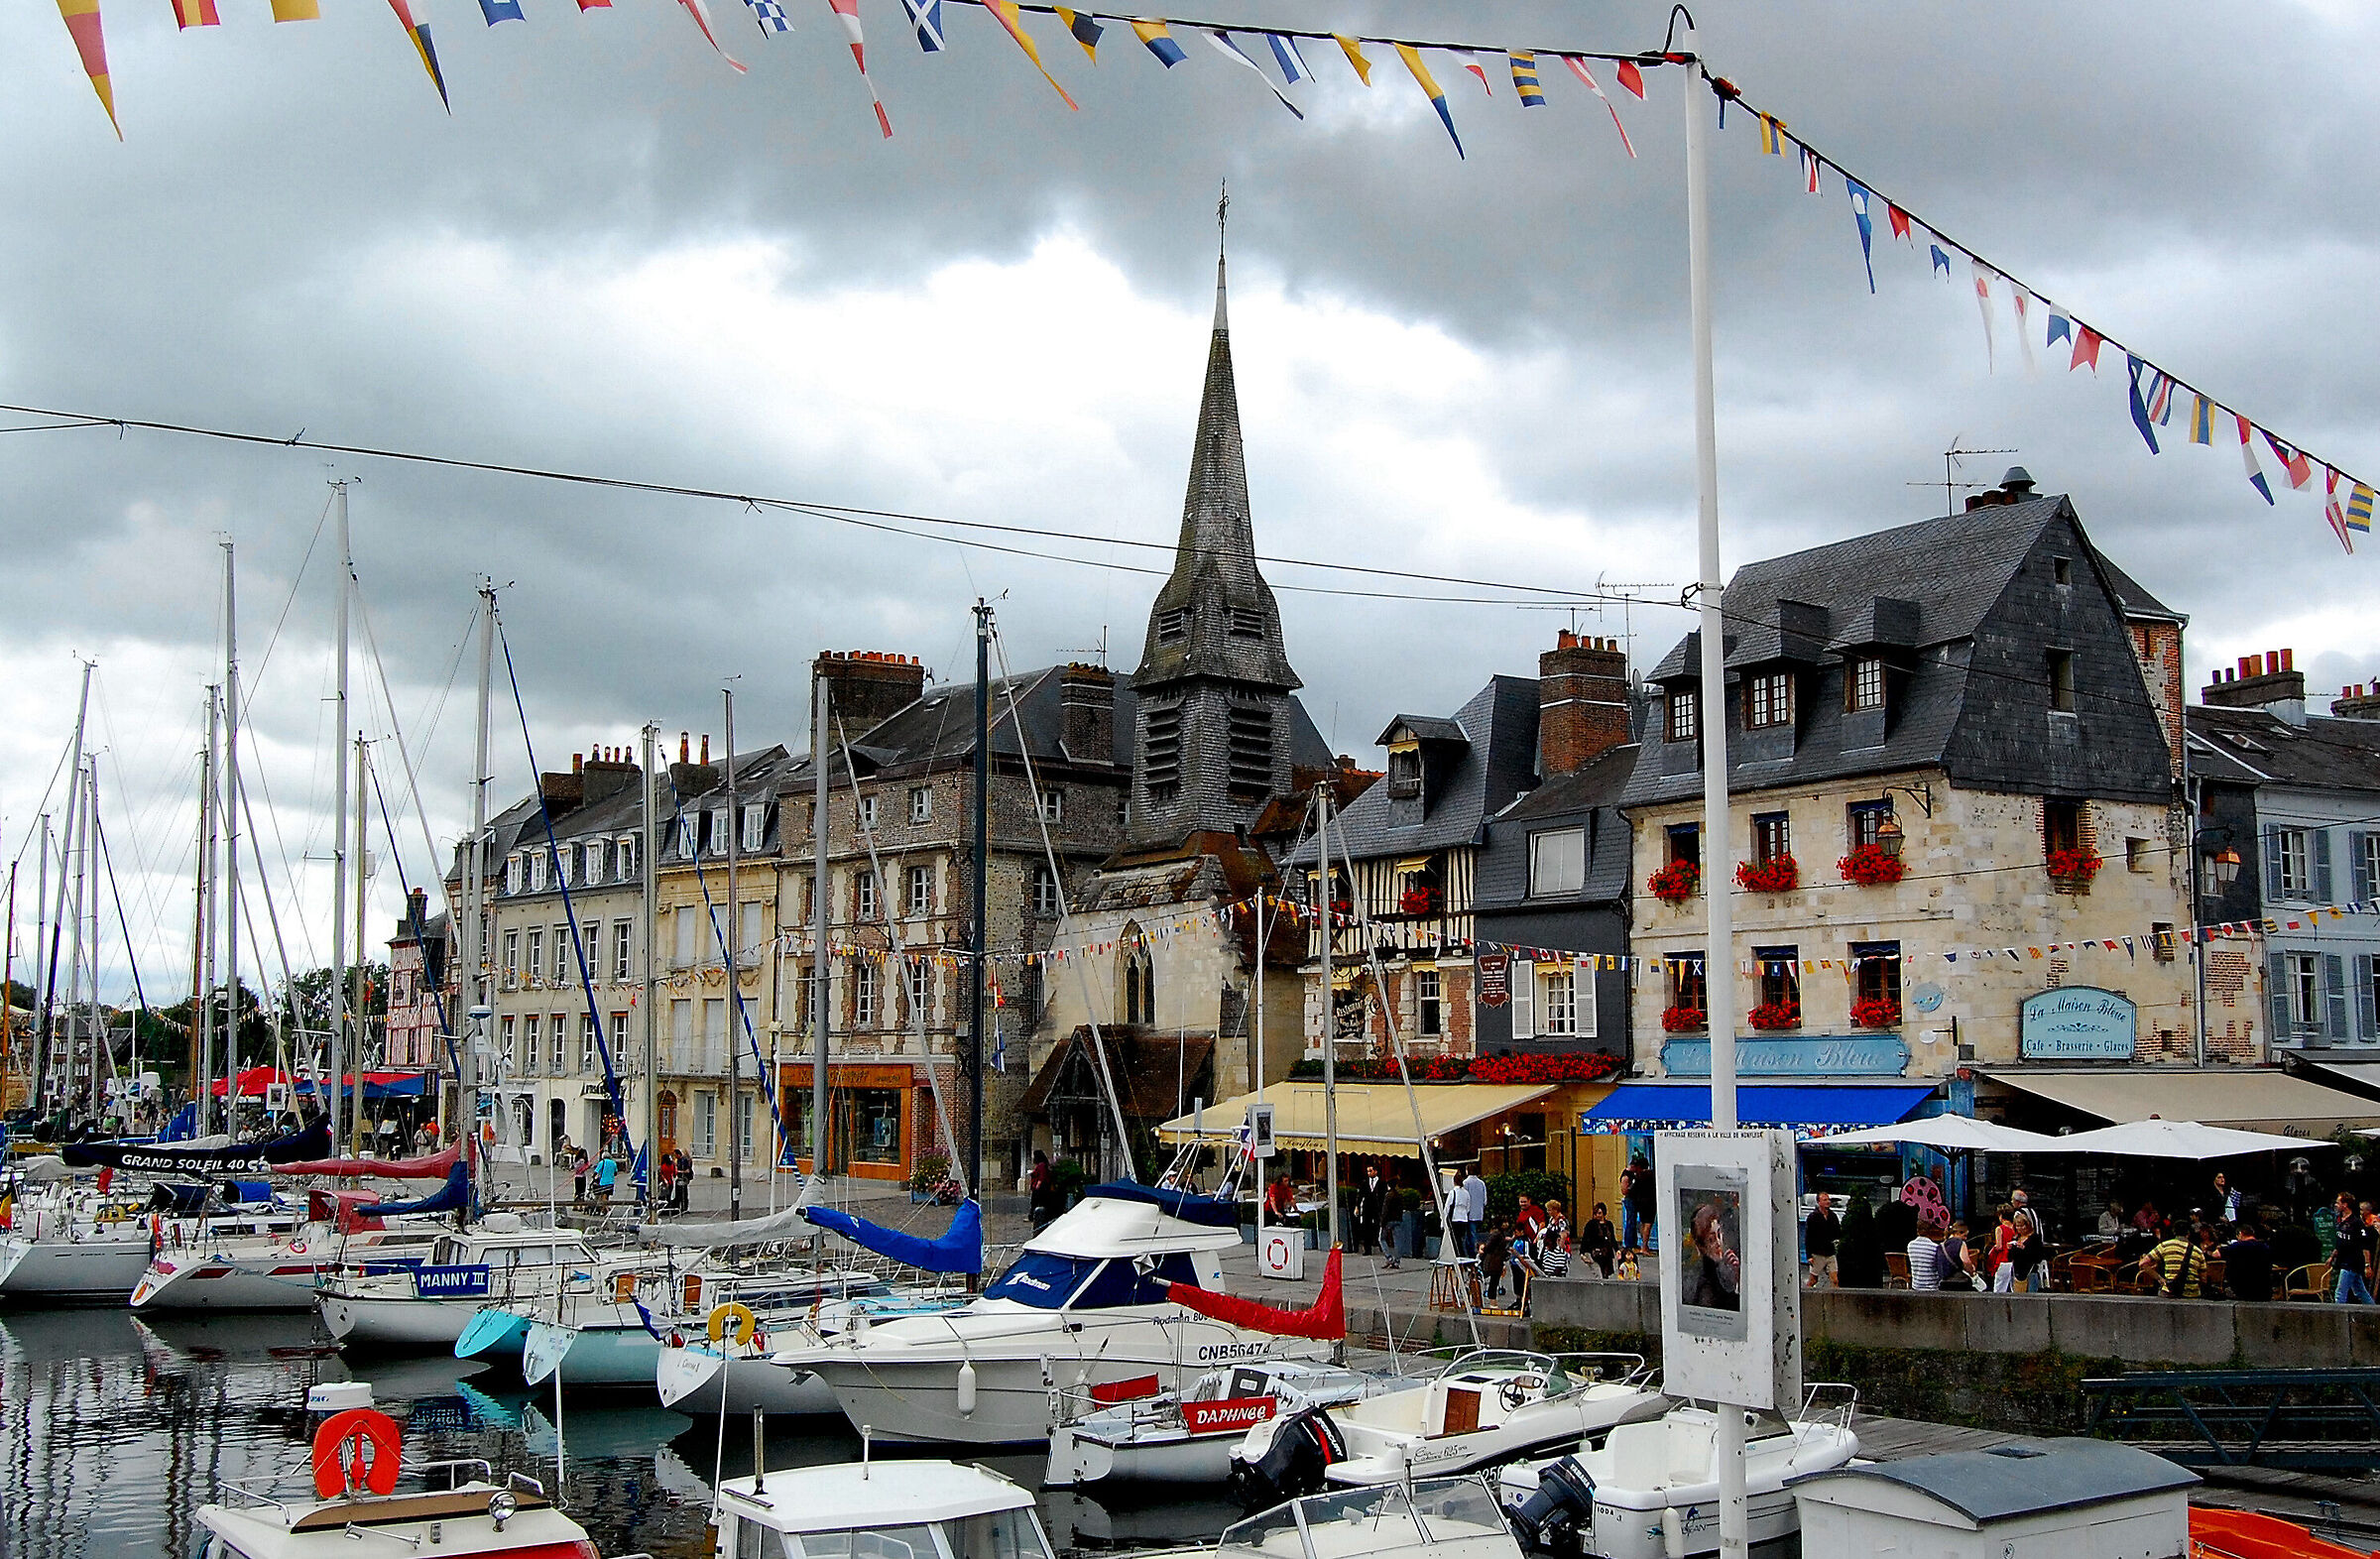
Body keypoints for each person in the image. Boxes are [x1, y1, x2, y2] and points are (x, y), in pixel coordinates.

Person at [1680, 1202, 1741, 1310]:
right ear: (1702, 1247)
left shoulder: (1725, 1266)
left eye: (1719, 1234)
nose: (1718, 1242)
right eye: (1711, 1240)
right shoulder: (1707, 1283)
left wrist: (1737, 1277)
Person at [2140, 1219, 2207, 1298]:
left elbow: (2143, 1263)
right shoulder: (2198, 1252)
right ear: (2188, 1233)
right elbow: (2204, 1279)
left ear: (2174, 1232)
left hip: (2169, 1292)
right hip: (2192, 1295)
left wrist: (2159, 1279)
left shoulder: (2165, 1246)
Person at [2330, 1193, 2374, 1304]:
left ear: (2345, 1205)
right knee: (2360, 1291)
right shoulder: (2340, 1220)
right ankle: (2374, 1310)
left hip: (2352, 1262)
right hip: (2343, 1260)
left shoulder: (2356, 1223)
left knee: (2340, 1293)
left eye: (2338, 1202)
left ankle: (2338, 1314)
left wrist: (2367, 1265)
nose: (2336, 1205)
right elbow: (2340, 1242)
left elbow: (2365, 1246)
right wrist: (2332, 1257)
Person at [2223, 1219, 2276, 1303]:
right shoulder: (2265, 1247)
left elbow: (2217, 1255)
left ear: (2240, 1234)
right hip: (2264, 1290)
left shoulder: (2235, 1247)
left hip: (2241, 1291)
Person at [2007, 1210, 2051, 1292]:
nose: (2020, 1228)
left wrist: (2024, 1248)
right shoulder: (2016, 1238)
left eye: (2022, 1226)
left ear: (2027, 1225)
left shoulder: (2034, 1238)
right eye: (2017, 1226)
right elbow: (2010, 1257)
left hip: (2031, 1271)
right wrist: (2010, 1248)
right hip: (2017, 1273)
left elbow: (2038, 1257)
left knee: (2031, 1296)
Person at [1804, 1193, 1841, 1289]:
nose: (1828, 1202)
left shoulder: (1833, 1216)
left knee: (1835, 1280)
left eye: (1828, 1200)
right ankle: (1806, 1293)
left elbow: (1837, 1232)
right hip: (1818, 1253)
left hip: (1830, 1252)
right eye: (1824, 1200)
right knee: (1813, 1280)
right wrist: (1809, 1255)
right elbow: (1808, 1237)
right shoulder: (1813, 1217)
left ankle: (1834, 1296)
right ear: (1819, 1202)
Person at [1624, 1157, 1658, 1253]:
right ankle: (1645, 1246)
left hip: (1640, 1202)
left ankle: (1644, 1245)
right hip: (1650, 1202)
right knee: (1648, 1224)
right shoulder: (1652, 1175)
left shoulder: (1638, 1176)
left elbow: (1631, 1189)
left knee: (1643, 1223)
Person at [1906, 1219, 1947, 1291]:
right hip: (1932, 1287)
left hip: (1916, 1286)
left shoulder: (1910, 1245)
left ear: (1917, 1230)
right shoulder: (1935, 1247)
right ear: (1930, 1231)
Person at [1358, 1166, 1388, 1258]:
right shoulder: (1365, 1183)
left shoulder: (1382, 1183)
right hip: (1367, 1207)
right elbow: (1360, 1195)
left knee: (1379, 1226)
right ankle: (1367, 1249)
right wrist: (1357, 1206)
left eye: (1370, 1171)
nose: (1369, 1173)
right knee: (1366, 1227)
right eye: (1367, 1171)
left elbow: (1384, 1195)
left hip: (1378, 1207)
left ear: (1375, 1171)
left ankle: (1380, 1245)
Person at [1581, 1203, 1617, 1278]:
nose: (1598, 1215)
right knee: (1598, 1275)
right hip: (1594, 1254)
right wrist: (1582, 1253)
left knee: (1606, 1276)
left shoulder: (1609, 1224)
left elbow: (1612, 1239)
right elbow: (1585, 1239)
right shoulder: (1590, 1224)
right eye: (1596, 1213)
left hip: (1607, 1255)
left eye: (1599, 1213)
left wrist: (1617, 1250)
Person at [1479, 1221, 1511, 1304]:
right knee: (1494, 1282)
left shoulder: (1500, 1234)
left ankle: (1493, 1301)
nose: (1506, 1224)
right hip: (1493, 1261)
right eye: (1504, 1222)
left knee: (1494, 1282)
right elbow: (1488, 1247)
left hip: (1496, 1261)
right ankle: (1492, 1302)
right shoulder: (1497, 1234)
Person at [1941, 1220, 1979, 1291]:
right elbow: (1966, 1261)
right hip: (1959, 1281)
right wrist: (1972, 1271)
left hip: (1944, 1282)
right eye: (1965, 1235)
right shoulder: (1960, 1243)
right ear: (1958, 1233)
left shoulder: (1941, 1245)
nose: (1965, 1238)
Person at [1538, 1199, 1572, 1277]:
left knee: (1558, 1268)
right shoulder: (1551, 1219)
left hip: (1558, 1246)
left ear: (1555, 1210)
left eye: (1549, 1210)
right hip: (1550, 1246)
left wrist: (1560, 1247)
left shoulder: (1561, 1220)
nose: (1548, 1212)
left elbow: (1564, 1234)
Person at [1512, 1195, 1546, 1268]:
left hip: (1535, 1241)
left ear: (1529, 1201)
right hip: (1526, 1241)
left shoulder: (1535, 1210)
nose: (1523, 1204)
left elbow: (1542, 1224)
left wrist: (1537, 1238)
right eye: (1521, 1202)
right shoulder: (1521, 1213)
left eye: (1525, 1202)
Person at [1462, 1168, 1488, 1259]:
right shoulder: (1481, 1183)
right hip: (1479, 1213)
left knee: (1470, 1235)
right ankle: (1473, 1252)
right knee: (1473, 1233)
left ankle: (1473, 1254)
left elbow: (1464, 1198)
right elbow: (1485, 1200)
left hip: (1469, 1213)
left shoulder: (1465, 1183)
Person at [1029, 1149, 1054, 1230]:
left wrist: (1038, 1185)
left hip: (1040, 1188)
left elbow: (1042, 1176)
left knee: (1035, 1202)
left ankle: (1034, 1217)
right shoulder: (1043, 1165)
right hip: (1040, 1187)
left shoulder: (1041, 1165)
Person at [656, 1148, 679, 1212]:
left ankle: (662, 1209)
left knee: (662, 1196)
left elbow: (660, 1174)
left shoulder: (663, 1166)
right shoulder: (672, 1165)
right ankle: (668, 1209)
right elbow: (675, 1174)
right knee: (669, 1196)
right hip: (670, 1182)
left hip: (664, 1183)